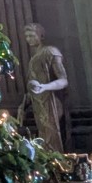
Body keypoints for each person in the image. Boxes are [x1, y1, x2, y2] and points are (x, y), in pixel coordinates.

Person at [17, 22, 68, 154]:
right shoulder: (33, 58)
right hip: (38, 103)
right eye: (27, 36)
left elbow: (63, 80)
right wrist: (23, 104)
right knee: (43, 137)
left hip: (52, 101)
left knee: (53, 136)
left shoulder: (51, 52)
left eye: (32, 35)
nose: (29, 39)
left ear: (41, 35)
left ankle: (57, 164)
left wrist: (44, 87)